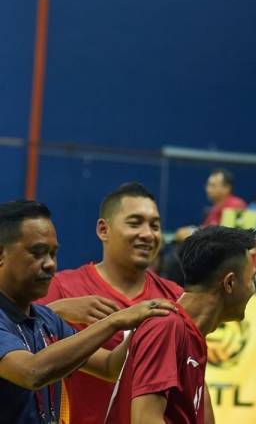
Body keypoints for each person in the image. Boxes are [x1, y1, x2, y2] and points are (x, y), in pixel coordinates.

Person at [0, 199, 175, 423]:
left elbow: (110, 366)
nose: (50, 264)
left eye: (53, 254)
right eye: (38, 252)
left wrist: (147, 323)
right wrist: (115, 321)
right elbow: (32, 373)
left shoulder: (46, 320)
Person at [38, 182, 184, 424]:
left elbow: (194, 386)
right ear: (103, 230)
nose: (148, 234)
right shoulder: (62, 288)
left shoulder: (175, 297)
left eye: (155, 226)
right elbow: (21, 342)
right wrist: (54, 312)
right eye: (135, 223)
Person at [105, 226, 256, 423]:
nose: (254, 290)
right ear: (229, 283)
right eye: (252, 279)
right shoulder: (166, 326)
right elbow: (146, 420)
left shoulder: (191, 336)